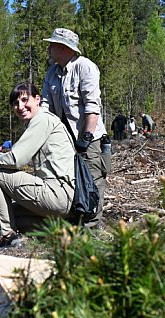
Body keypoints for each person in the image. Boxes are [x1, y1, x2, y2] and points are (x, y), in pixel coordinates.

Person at [0, 82, 77, 247]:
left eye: (25, 100)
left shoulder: (42, 119)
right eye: (15, 103)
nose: (20, 106)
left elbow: (16, 159)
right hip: (65, 198)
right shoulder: (44, 120)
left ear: (37, 99)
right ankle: (59, 233)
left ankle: (8, 237)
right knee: (10, 214)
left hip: (58, 194)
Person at [41, 28, 110, 227]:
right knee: (69, 184)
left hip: (89, 141)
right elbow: (46, 108)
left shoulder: (85, 67)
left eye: (52, 44)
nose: (49, 48)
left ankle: (91, 231)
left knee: (92, 184)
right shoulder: (52, 73)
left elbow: (92, 106)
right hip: (64, 142)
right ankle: (74, 227)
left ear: (64, 48)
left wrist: (86, 138)